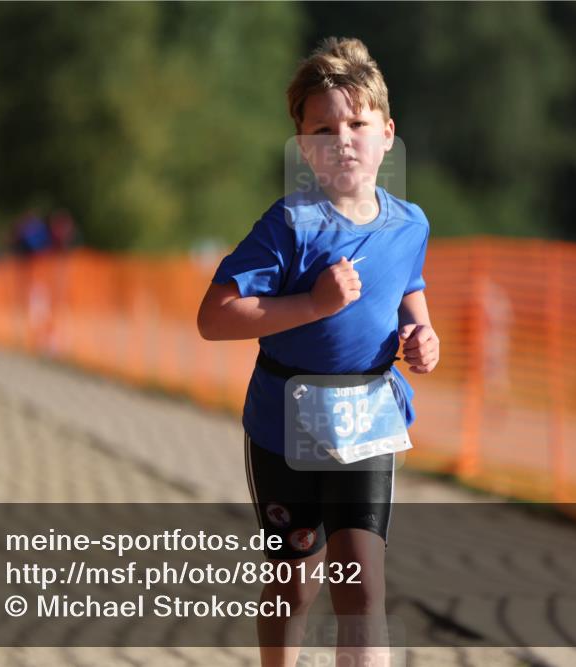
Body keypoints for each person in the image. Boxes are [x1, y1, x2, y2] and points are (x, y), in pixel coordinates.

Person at [197, 37, 439, 667]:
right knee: (294, 581)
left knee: (361, 584)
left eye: (358, 123)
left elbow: (408, 285)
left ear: (387, 133)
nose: (344, 140)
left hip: (367, 419)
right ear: (304, 146)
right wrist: (312, 305)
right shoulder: (290, 225)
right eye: (324, 128)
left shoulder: (409, 222)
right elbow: (214, 317)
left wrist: (423, 335)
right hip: (286, 423)